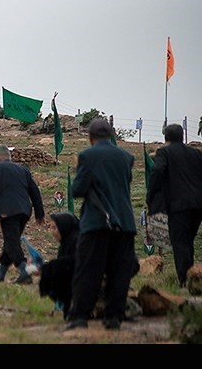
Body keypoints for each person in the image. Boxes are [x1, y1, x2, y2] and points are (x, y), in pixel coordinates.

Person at [65, 119, 137, 331]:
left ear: (90, 137)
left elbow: (77, 190)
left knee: (88, 269)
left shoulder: (87, 156)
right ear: (112, 135)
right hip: (124, 223)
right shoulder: (127, 157)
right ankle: (114, 317)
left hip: (97, 222)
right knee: (119, 271)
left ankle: (79, 316)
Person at [0, 144, 45, 285]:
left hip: (7, 212)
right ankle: (0, 275)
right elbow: (35, 191)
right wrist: (39, 213)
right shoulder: (23, 169)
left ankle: (25, 271)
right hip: (24, 211)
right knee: (10, 242)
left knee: (12, 243)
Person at [147, 123, 202, 287]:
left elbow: (157, 171)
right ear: (182, 136)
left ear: (166, 138)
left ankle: (184, 281)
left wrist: (151, 194)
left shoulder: (164, 152)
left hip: (179, 206)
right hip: (198, 205)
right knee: (188, 241)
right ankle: (193, 276)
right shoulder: (196, 154)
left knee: (180, 242)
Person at [39, 212, 80, 320]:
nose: (51, 232)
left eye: (54, 228)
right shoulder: (66, 244)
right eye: (50, 227)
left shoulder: (77, 242)